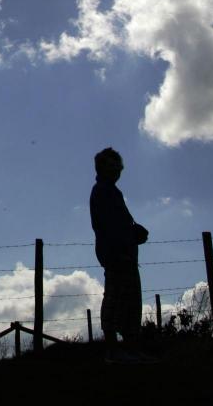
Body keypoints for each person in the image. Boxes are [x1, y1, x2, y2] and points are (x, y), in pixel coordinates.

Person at [90, 147, 149, 362]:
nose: (118, 171)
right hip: (117, 255)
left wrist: (133, 233)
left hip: (123, 254)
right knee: (117, 300)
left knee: (129, 302)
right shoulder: (103, 191)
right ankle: (115, 351)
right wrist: (122, 245)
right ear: (103, 168)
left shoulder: (110, 192)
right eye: (113, 166)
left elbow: (118, 225)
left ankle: (129, 349)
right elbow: (108, 226)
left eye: (118, 166)